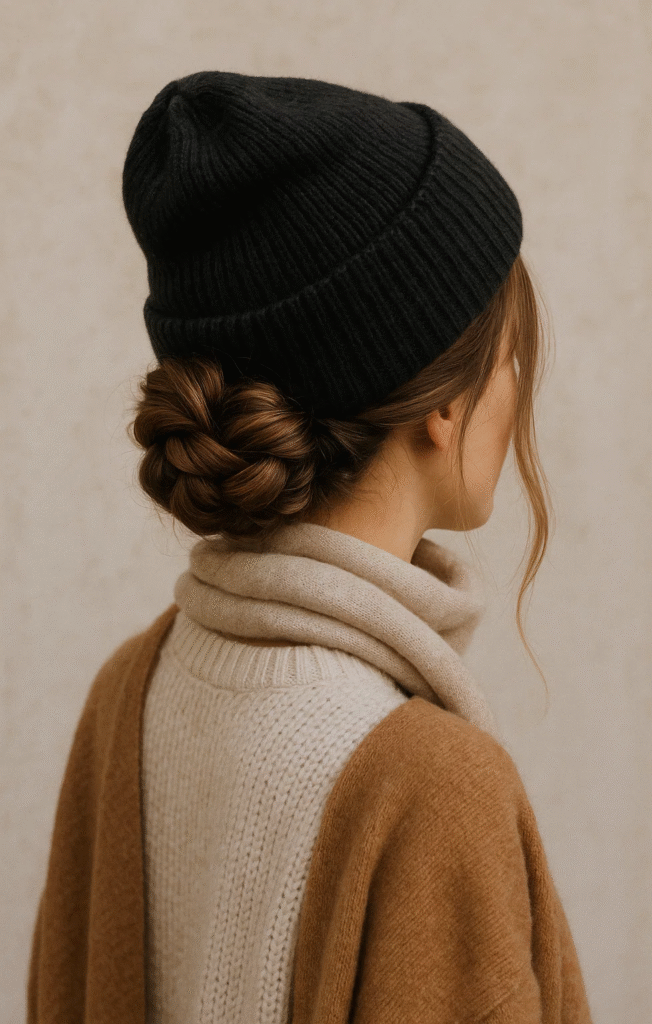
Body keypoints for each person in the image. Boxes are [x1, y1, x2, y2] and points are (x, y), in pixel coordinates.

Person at [27, 71, 594, 1023]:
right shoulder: (433, 786)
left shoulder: (131, 693)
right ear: (445, 406)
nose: (520, 381)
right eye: (509, 351)